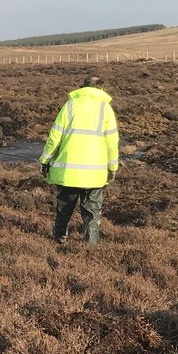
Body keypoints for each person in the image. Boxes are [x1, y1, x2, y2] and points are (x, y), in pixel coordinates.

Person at [39, 75, 119, 244]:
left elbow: (54, 137)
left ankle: (60, 238)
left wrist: (45, 160)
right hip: (95, 174)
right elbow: (112, 142)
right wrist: (112, 167)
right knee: (92, 212)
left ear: (82, 87)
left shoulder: (70, 106)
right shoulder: (106, 109)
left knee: (64, 209)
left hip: (68, 171)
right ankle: (91, 245)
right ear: (102, 88)